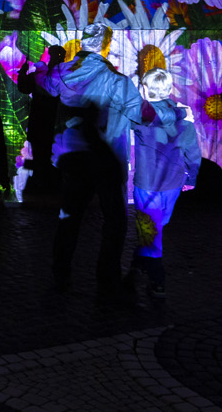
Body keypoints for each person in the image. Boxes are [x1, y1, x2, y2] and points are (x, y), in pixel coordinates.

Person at [48, 44, 152, 294]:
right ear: (105, 48)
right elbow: (142, 115)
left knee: (69, 219)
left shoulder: (64, 75)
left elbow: (43, 83)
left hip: (76, 159)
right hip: (105, 160)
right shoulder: (117, 82)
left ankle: (61, 272)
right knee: (114, 221)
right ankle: (107, 276)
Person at [127, 68, 200, 301]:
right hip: (173, 183)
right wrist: (191, 179)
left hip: (148, 184)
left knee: (151, 233)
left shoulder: (139, 116)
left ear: (146, 88)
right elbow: (193, 153)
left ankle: (158, 281)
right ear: (169, 89)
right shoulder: (184, 116)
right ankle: (136, 267)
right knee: (155, 230)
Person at [17, 45, 66, 198]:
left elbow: (24, 87)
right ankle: (47, 187)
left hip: (46, 123)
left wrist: (24, 73)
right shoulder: (54, 74)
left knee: (45, 156)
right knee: (45, 156)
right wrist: (24, 73)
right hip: (50, 123)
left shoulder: (47, 74)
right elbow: (24, 87)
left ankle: (45, 186)